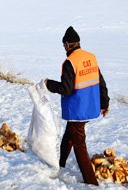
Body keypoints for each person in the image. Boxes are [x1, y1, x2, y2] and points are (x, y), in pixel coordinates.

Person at [45, 26, 109, 186]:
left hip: (78, 110)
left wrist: (49, 84)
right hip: (91, 107)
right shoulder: (91, 57)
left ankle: (91, 182)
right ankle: (59, 163)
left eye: (64, 46)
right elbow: (101, 81)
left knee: (79, 145)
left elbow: (66, 90)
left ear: (67, 44)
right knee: (70, 134)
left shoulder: (70, 62)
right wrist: (105, 102)